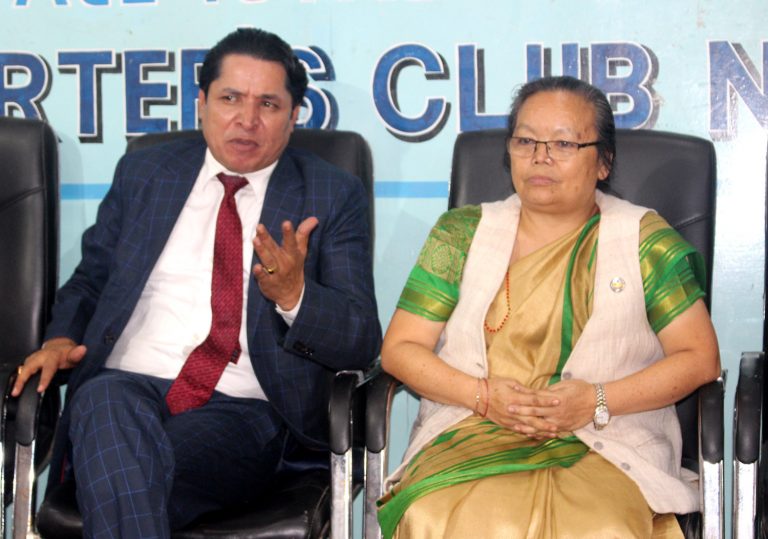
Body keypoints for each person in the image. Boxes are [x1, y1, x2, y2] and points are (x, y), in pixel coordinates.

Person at [13, 27, 381, 538]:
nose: (247, 120)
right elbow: (92, 279)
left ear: (294, 115)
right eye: (230, 98)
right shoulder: (145, 172)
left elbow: (361, 340)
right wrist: (58, 339)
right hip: (125, 389)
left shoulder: (331, 193)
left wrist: (295, 297)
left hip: (242, 412)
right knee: (103, 401)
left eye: (268, 104)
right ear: (202, 103)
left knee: (125, 468)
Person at [377, 76, 720, 538]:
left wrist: (596, 401)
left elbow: (699, 358)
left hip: (607, 439)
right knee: (435, 516)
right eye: (525, 141)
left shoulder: (644, 240)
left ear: (603, 162)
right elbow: (400, 349)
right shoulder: (460, 234)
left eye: (563, 143)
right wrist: (483, 396)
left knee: (602, 527)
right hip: (472, 429)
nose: (541, 157)